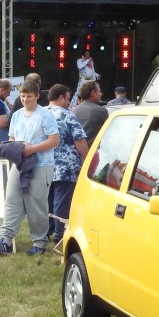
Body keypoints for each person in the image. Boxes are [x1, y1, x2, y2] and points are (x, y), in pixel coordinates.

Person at [0, 79, 60, 256]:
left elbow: (54, 140)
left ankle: (39, 242)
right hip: (19, 163)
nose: (25, 99)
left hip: (41, 164)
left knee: (36, 204)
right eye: (22, 96)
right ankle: (6, 240)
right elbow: (12, 138)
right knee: (12, 199)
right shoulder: (17, 115)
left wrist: (32, 149)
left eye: (29, 96)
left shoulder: (45, 115)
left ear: (37, 96)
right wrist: (17, 148)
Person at [46, 84, 89, 243]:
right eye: (68, 98)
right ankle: (60, 235)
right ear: (61, 97)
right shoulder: (67, 115)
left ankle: (45, 232)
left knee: (47, 200)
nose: (69, 102)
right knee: (62, 201)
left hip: (44, 164)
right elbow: (79, 140)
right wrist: (88, 160)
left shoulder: (40, 113)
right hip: (66, 165)